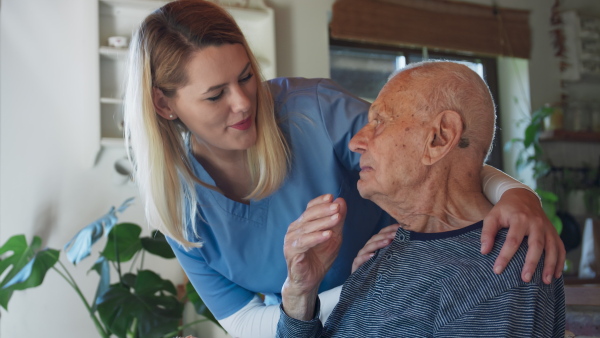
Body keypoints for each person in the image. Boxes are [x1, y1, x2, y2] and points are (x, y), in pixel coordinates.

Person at [123, 1, 565, 336]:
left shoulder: (310, 111)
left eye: (246, 77)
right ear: (164, 104)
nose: (244, 103)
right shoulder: (178, 204)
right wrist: (310, 294)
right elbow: (245, 323)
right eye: (215, 94)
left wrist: (516, 195)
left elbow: (440, 157)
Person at [277, 61, 566, 337]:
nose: (356, 142)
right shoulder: (384, 250)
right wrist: (300, 295)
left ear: (440, 138)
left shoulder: (499, 268)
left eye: (379, 121)